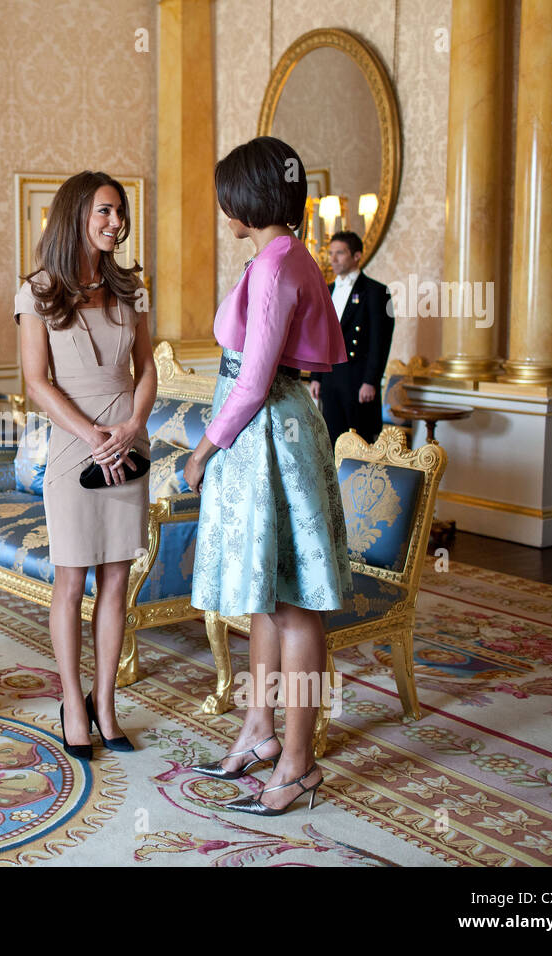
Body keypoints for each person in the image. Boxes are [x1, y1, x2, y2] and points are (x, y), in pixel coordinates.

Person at [183, 136, 353, 815]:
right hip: (267, 434)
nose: (222, 203)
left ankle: (299, 763)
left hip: (268, 435)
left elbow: (253, 380)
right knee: (266, 593)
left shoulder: (278, 264)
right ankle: (259, 732)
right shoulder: (279, 255)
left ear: (248, 196)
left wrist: (204, 450)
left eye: (227, 191)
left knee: (294, 603)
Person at [15, 171, 154, 760]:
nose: (115, 222)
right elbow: (35, 381)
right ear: (77, 214)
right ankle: (73, 700)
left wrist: (128, 427)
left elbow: (147, 369)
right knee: (72, 579)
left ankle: (106, 702)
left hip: (127, 439)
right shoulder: (37, 290)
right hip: (75, 445)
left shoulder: (132, 289)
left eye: (119, 212)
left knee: (118, 577)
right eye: (104, 211)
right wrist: (92, 433)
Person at [308, 231, 395, 448]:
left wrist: (370, 381)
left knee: (361, 444)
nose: (333, 259)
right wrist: (316, 376)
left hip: (358, 381)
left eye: (340, 253)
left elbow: (380, 342)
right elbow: (321, 336)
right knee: (332, 441)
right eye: (331, 253)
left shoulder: (377, 292)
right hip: (330, 378)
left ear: (357, 256)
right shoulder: (326, 291)